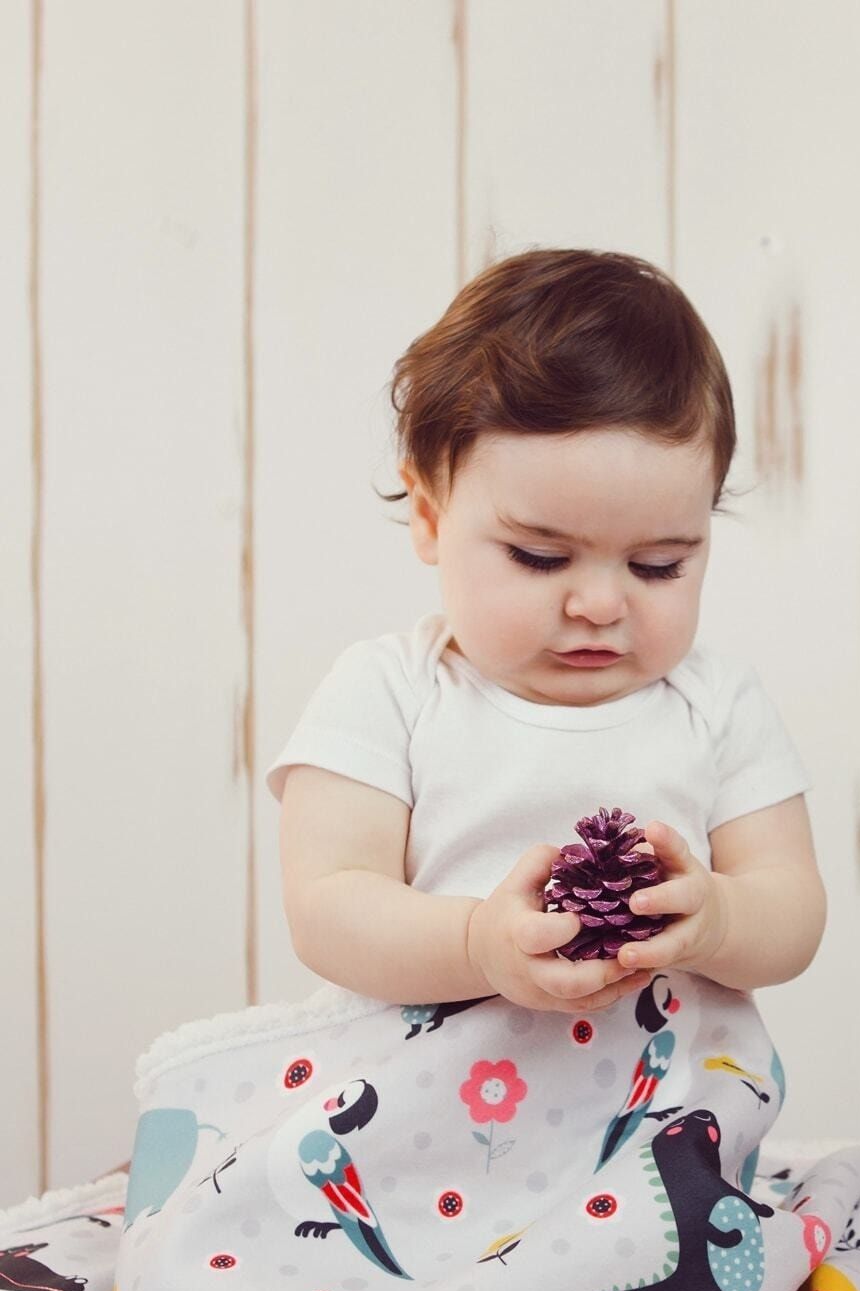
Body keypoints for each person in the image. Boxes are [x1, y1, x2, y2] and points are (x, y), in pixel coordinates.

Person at [265, 246, 827, 1017]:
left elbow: (793, 910)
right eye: (539, 557)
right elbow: (326, 908)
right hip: (416, 1119)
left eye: (658, 565)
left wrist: (722, 918)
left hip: (662, 1124)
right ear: (429, 516)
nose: (599, 604)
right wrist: (474, 944)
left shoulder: (718, 704)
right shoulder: (391, 694)